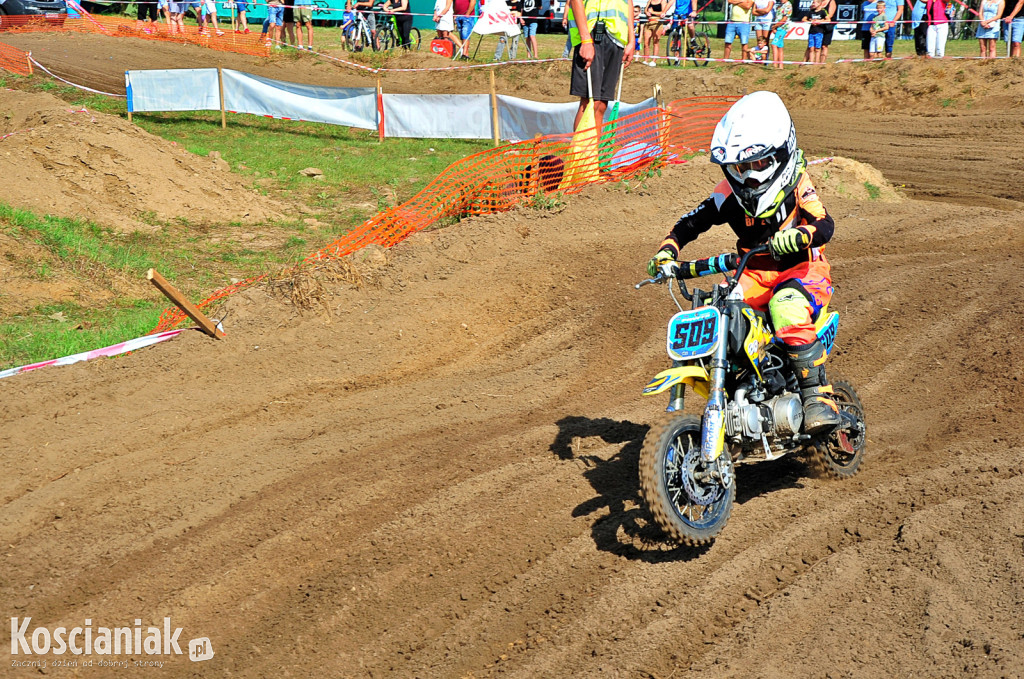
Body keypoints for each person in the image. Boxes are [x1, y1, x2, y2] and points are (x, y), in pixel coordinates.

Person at [647, 91, 842, 434]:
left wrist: (801, 235)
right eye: (740, 168)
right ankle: (740, 389)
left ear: (780, 154)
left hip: (803, 271)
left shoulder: (797, 181)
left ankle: (817, 397)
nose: (748, 176)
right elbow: (691, 223)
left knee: (786, 307)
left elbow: (824, 223)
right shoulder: (728, 193)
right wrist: (668, 250)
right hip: (753, 272)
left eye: (757, 165)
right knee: (716, 307)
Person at [566, 0, 635, 135]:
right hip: (591, 35)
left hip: (616, 39)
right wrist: (585, 40)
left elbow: (628, 3)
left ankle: (592, 154)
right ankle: (580, 154)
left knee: (602, 104)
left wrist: (631, 40)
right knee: (590, 103)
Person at [642, 0, 666, 66]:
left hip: (657, 23)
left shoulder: (662, 1)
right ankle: (645, 60)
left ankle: (654, 60)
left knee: (655, 42)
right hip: (648, 22)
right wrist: (646, 12)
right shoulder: (650, 1)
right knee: (646, 42)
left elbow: (663, 13)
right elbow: (645, 10)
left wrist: (653, 12)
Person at [769, 0, 792, 67]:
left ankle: (775, 64)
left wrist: (775, 26)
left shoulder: (788, 5)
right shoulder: (780, 4)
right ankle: (780, 65)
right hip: (778, 27)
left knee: (774, 44)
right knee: (780, 46)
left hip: (782, 28)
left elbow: (784, 19)